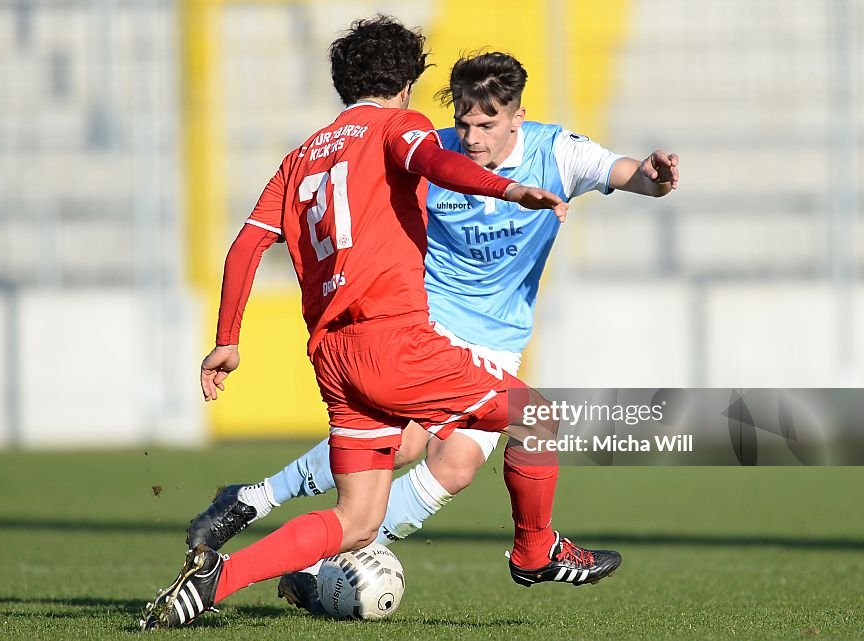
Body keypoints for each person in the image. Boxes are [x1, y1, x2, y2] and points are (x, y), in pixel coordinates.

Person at [184, 51, 680, 615]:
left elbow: (629, 173)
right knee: (420, 442)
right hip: (427, 323)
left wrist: (655, 178)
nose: (472, 138)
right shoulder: (425, 150)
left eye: (487, 125)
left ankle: (294, 541)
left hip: (497, 339)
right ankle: (526, 551)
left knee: (458, 465)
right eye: (464, 122)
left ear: (517, 117)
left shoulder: (558, 153)